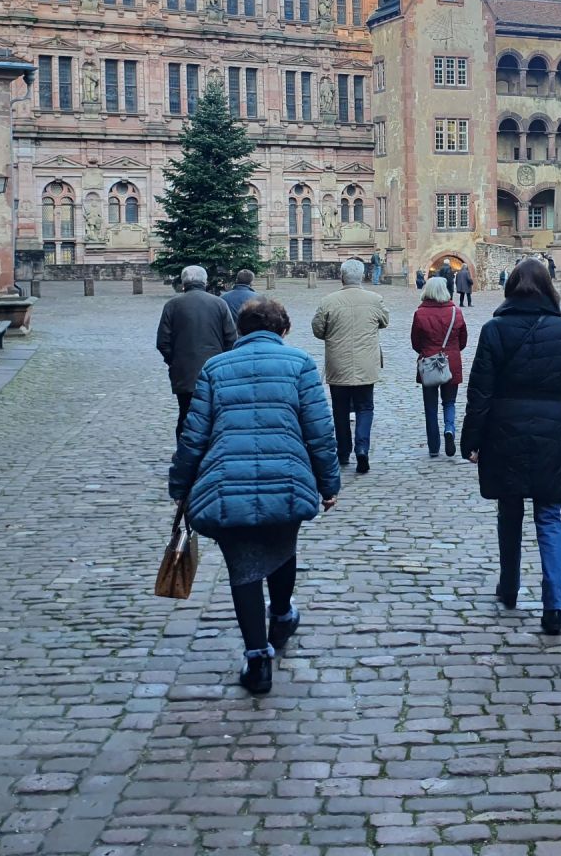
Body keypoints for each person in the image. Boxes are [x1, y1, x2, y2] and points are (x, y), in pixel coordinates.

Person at [169, 297, 339, 696]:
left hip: (227, 482)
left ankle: (257, 656)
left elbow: (193, 436)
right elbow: (319, 431)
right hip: (288, 478)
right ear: (284, 330)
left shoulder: (216, 367)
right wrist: (327, 483)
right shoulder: (299, 364)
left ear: (241, 331)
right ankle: (280, 615)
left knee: (243, 569)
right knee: (283, 546)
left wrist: (180, 486)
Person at [461, 258, 561, 636]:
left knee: (509, 513)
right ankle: (554, 603)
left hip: (504, 430)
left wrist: (473, 439)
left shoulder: (495, 329)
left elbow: (480, 391)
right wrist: (556, 415)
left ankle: (509, 585)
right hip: (550, 429)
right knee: (549, 517)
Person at [311, 258, 390, 475]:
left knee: (340, 410)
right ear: (363, 276)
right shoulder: (375, 299)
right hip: (366, 363)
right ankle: (362, 447)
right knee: (365, 407)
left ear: (342, 277)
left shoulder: (329, 301)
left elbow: (318, 330)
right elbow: (385, 321)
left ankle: (344, 451)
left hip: (339, 363)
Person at [156, 265, 237, 441]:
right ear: (205, 282)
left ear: (183, 283)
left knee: (186, 413)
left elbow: (163, 342)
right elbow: (231, 338)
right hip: (215, 370)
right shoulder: (219, 303)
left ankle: (184, 454)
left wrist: (175, 361)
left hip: (183, 371)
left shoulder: (172, 305)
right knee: (214, 414)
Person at [410, 277, 468, 458]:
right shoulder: (455, 312)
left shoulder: (420, 314)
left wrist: (428, 351)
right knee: (449, 402)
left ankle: (434, 447)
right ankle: (449, 429)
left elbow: (415, 343)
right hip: (451, 362)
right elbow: (463, 341)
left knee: (430, 407)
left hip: (429, 364)